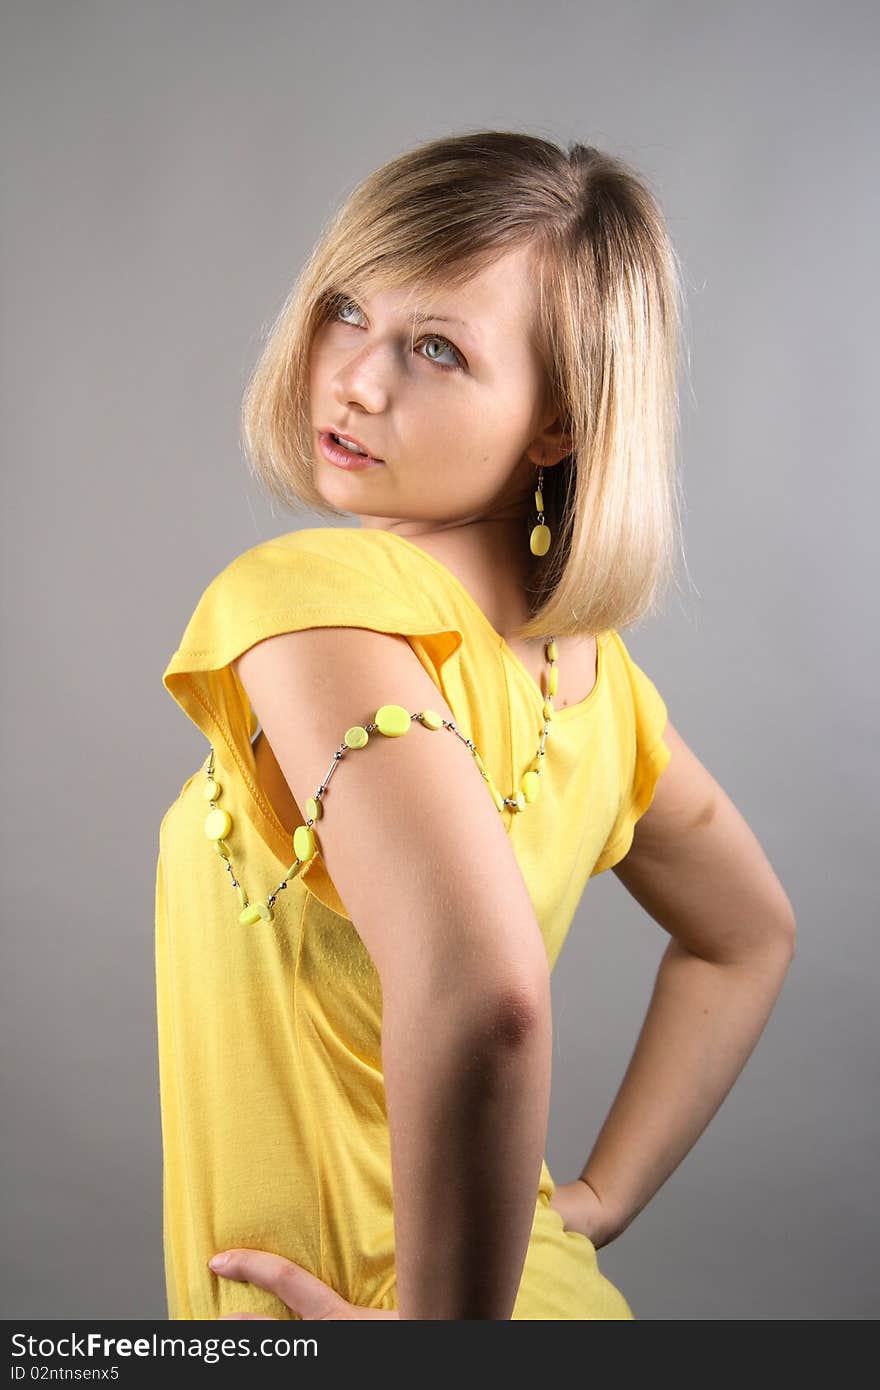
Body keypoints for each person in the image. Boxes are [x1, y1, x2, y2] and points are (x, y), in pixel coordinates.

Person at [155, 130, 796, 1322]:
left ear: (559, 422)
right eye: (348, 308)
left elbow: (490, 995)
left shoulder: (307, 604)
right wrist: (584, 1206)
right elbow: (746, 936)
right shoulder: (598, 689)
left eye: (437, 348)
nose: (354, 377)